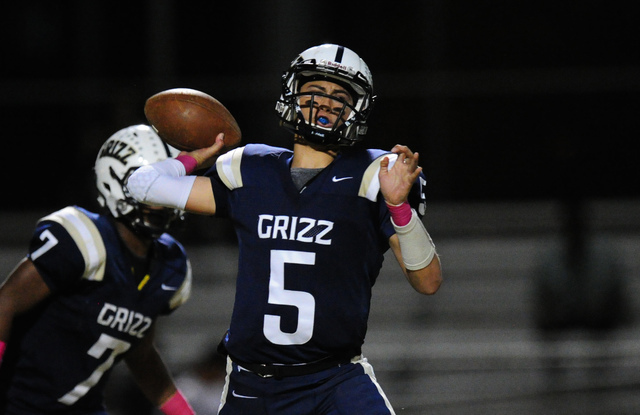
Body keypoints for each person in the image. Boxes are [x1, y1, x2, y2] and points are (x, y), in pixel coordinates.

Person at [126, 44, 443, 414]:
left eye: (339, 96)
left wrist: (398, 205)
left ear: (357, 109)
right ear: (292, 93)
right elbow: (141, 185)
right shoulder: (251, 168)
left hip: (335, 380)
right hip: (254, 384)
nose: (325, 104)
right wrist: (194, 157)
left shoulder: (376, 175)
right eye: (315, 92)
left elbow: (428, 281)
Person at [0, 125, 196, 415]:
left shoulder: (170, 265)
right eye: (151, 186)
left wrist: (183, 412)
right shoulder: (83, 240)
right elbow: (6, 302)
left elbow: (140, 352)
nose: (160, 199)